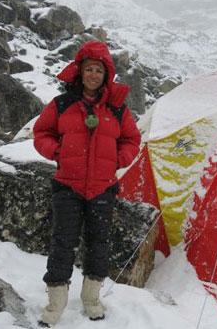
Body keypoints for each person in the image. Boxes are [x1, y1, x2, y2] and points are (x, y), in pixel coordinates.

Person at [33, 41, 141, 326]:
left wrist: (119, 158)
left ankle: (92, 299)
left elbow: (132, 139)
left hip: (103, 187)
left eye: (99, 70)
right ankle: (55, 304)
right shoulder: (62, 104)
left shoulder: (117, 109)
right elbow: (42, 132)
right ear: (80, 72)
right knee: (62, 243)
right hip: (67, 186)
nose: (93, 75)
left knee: (99, 244)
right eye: (89, 69)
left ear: (107, 75)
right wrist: (56, 152)